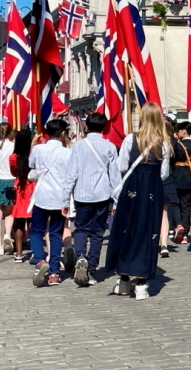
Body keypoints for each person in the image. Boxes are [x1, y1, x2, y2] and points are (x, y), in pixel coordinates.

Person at [105, 102, 172, 300]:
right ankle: (142, 283)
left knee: (127, 229)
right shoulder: (164, 143)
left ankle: (124, 278)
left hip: (132, 188)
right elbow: (164, 173)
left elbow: (121, 164)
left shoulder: (130, 139)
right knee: (148, 231)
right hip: (152, 188)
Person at [67, 112, 117, 287]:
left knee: (80, 229)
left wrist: (66, 197)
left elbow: (72, 172)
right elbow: (115, 176)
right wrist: (116, 200)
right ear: (104, 127)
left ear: (86, 126)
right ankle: (92, 269)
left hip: (82, 194)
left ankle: (81, 256)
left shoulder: (78, 146)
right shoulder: (109, 146)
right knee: (97, 233)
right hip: (103, 194)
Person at [28, 118, 73, 287]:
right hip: (60, 197)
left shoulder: (39, 149)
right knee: (55, 235)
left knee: (36, 231)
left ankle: (40, 260)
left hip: (42, 196)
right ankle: (54, 272)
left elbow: (31, 164)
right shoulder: (68, 152)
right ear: (62, 133)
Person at [167, 121, 191, 245]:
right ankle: (185, 234)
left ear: (184, 132)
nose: (178, 132)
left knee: (175, 203)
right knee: (187, 206)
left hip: (177, 177)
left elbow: (171, 161)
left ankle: (177, 226)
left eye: (180, 130)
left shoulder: (177, 145)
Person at [7, 129, 35, 263]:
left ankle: (18, 253)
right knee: (34, 223)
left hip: (21, 189)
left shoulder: (13, 157)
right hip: (33, 187)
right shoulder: (33, 154)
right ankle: (36, 251)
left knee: (18, 223)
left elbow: (13, 173)